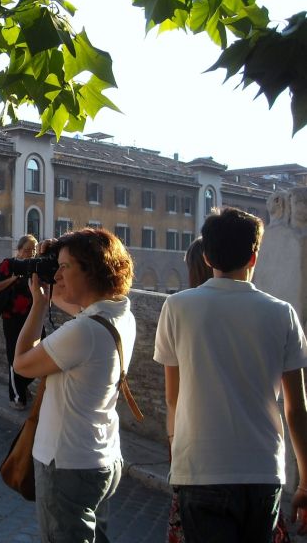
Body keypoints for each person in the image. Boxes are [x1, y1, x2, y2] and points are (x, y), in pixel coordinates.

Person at [154, 208, 307, 542]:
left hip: (200, 467)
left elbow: (172, 397)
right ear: (254, 257)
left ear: (206, 256)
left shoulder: (177, 307)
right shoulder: (283, 314)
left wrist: (176, 452)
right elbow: (297, 409)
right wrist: (306, 482)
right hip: (263, 469)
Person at [13, 228, 136, 542]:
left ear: (91, 271)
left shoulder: (83, 332)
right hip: (103, 457)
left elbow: (22, 363)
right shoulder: (120, 314)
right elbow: (87, 312)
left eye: (65, 267)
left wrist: (39, 305)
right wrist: (53, 290)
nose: (58, 274)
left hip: (66, 463)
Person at [0, 234, 38, 409]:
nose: (30, 253)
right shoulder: (9, 264)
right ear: (19, 250)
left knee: (40, 354)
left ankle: (23, 386)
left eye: (33, 250)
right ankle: (17, 397)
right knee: (14, 357)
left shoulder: (36, 267)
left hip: (33, 317)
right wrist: (13, 278)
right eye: (27, 250)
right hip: (12, 319)